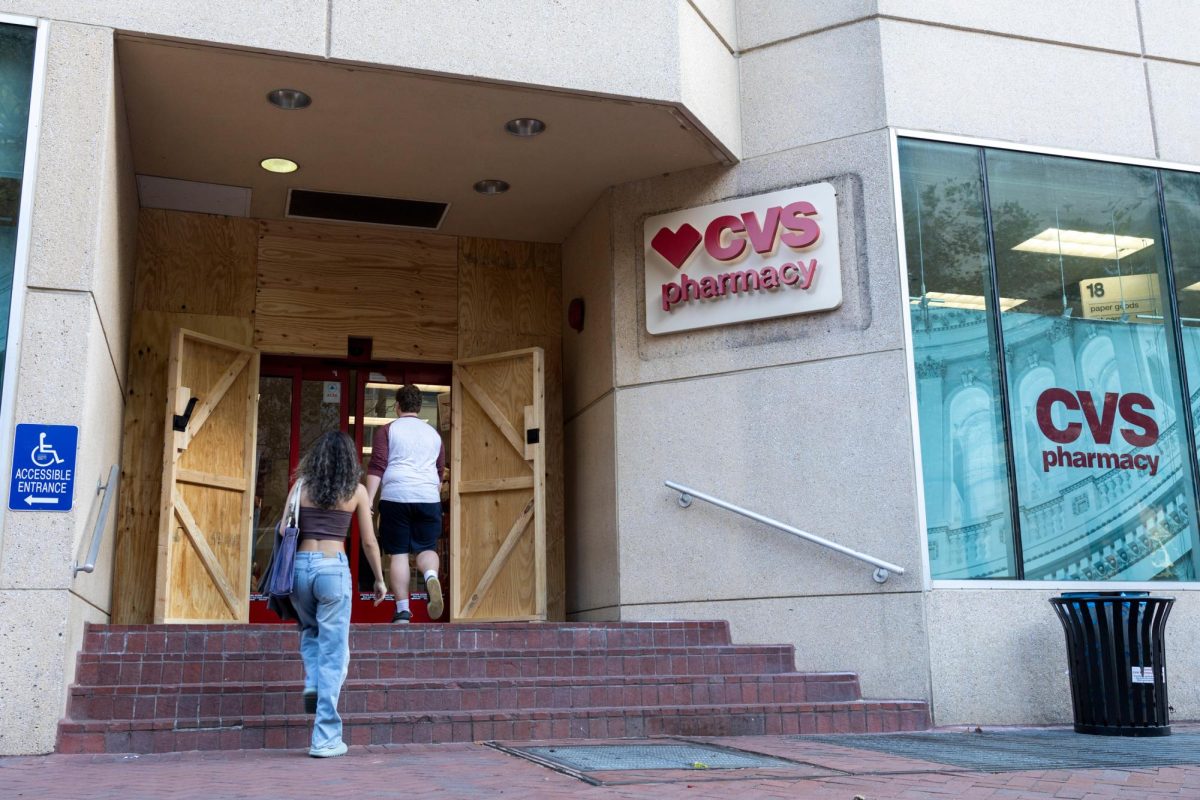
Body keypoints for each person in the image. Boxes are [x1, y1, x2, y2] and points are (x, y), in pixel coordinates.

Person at [284, 431, 387, 758]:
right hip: (332, 568)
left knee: (310, 631)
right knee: (334, 651)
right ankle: (325, 738)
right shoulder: (356, 491)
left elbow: (282, 530)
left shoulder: (300, 488)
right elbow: (369, 542)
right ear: (349, 461)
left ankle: (312, 679)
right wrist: (380, 580)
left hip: (300, 568)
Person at [366, 384, 447, 623]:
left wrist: (369, 499)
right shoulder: (434, 435)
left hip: (396, 497)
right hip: (427, 497)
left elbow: (377, 465)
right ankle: (431, 576)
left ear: (397, 406)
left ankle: (402, 610)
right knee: (427, 549)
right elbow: (440, 470)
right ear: (420, 407)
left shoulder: (388, 431)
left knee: (398, 554)